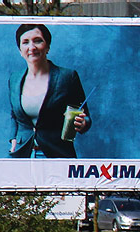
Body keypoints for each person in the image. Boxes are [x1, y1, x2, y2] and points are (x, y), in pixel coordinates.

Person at [8, 23, 92, 158]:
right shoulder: (14, 79)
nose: (32, 47)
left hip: (57, 154)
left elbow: (85, 116)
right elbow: (14, 114)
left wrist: (82, 123)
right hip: (21, 155)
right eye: (25, 42)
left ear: (47, 47)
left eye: (38, 41)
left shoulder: (67, 77)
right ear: (20, 50)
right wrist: (13, 139)